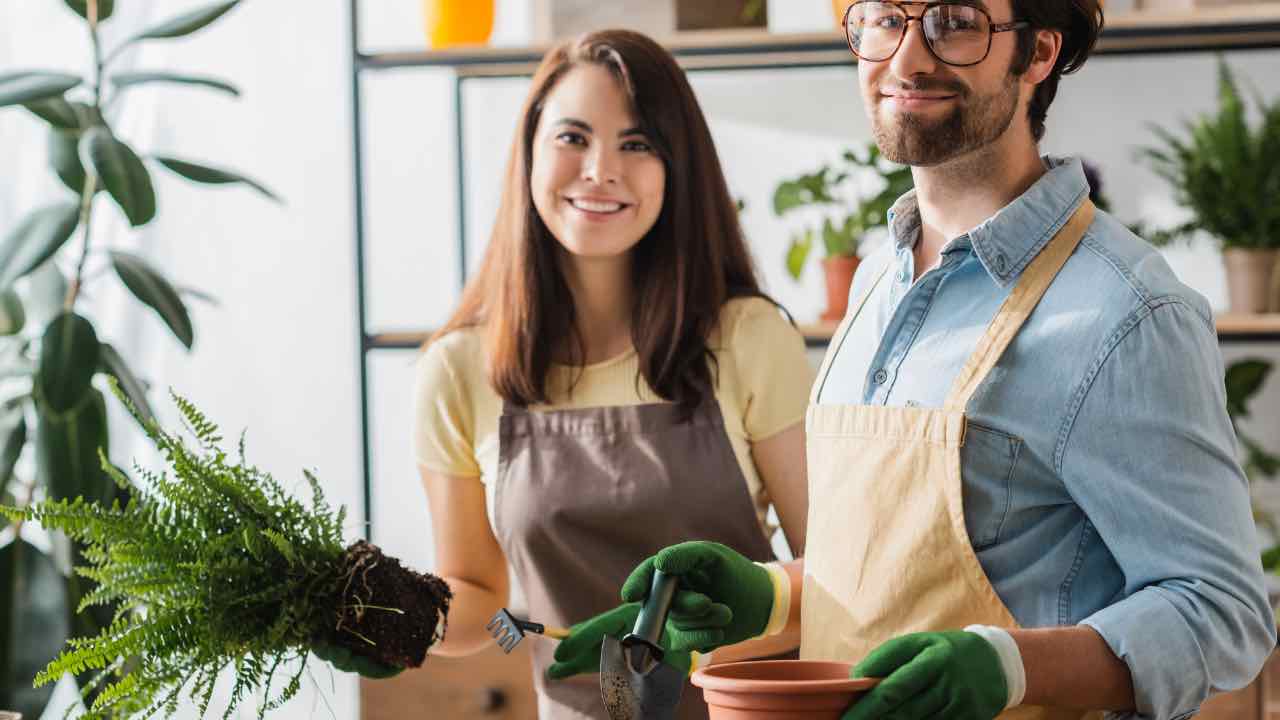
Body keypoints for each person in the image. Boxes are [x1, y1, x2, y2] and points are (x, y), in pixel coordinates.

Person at [591, 2, 1278, 719]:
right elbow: (895, 574)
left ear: (1038, 52)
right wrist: (770, 596)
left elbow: (1224, 611)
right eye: (886, 18)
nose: (908, 59)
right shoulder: (875, 282)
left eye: (954, 21)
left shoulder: (1126, 312)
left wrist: (1013, 668)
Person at [411, 29, 813, 719]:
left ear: (676, 168)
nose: (599, 170)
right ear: (530, 152)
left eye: (637, 144)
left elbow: (838, 580)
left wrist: (688, 643)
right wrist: (382, 619)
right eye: (573, 138)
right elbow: (476, 589)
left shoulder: (748, 339)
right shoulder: (458, 370)